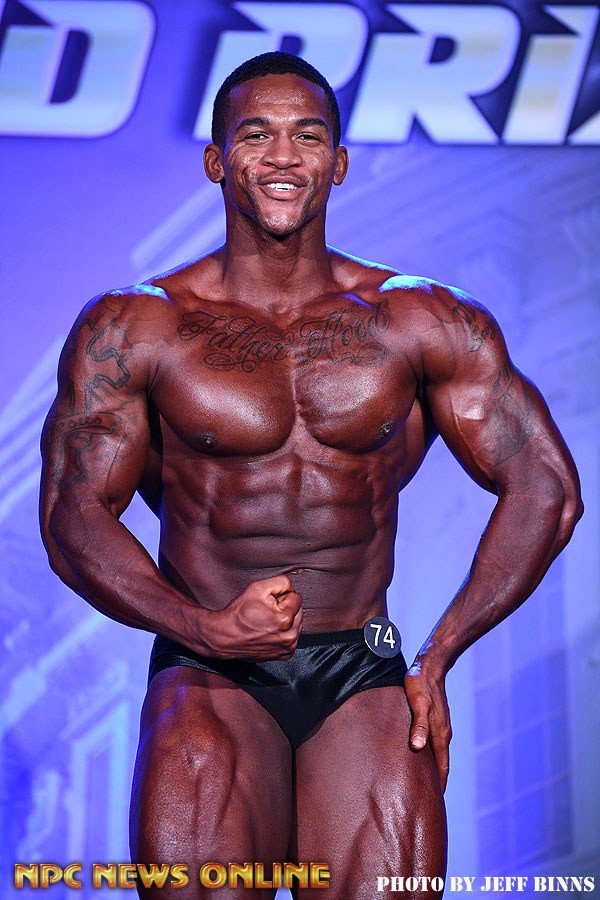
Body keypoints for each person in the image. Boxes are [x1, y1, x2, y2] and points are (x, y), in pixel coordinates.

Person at [40, 52, 583, 899]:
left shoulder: (419, 318)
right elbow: (72, 517)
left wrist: (440, 653)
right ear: (217, 161)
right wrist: (203, 625)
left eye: (308, 135)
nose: (284, 156)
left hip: (364, 663)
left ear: (338, 162)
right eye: (256, 135)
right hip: (208, 669)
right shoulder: (138, 326)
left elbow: (547, 488)